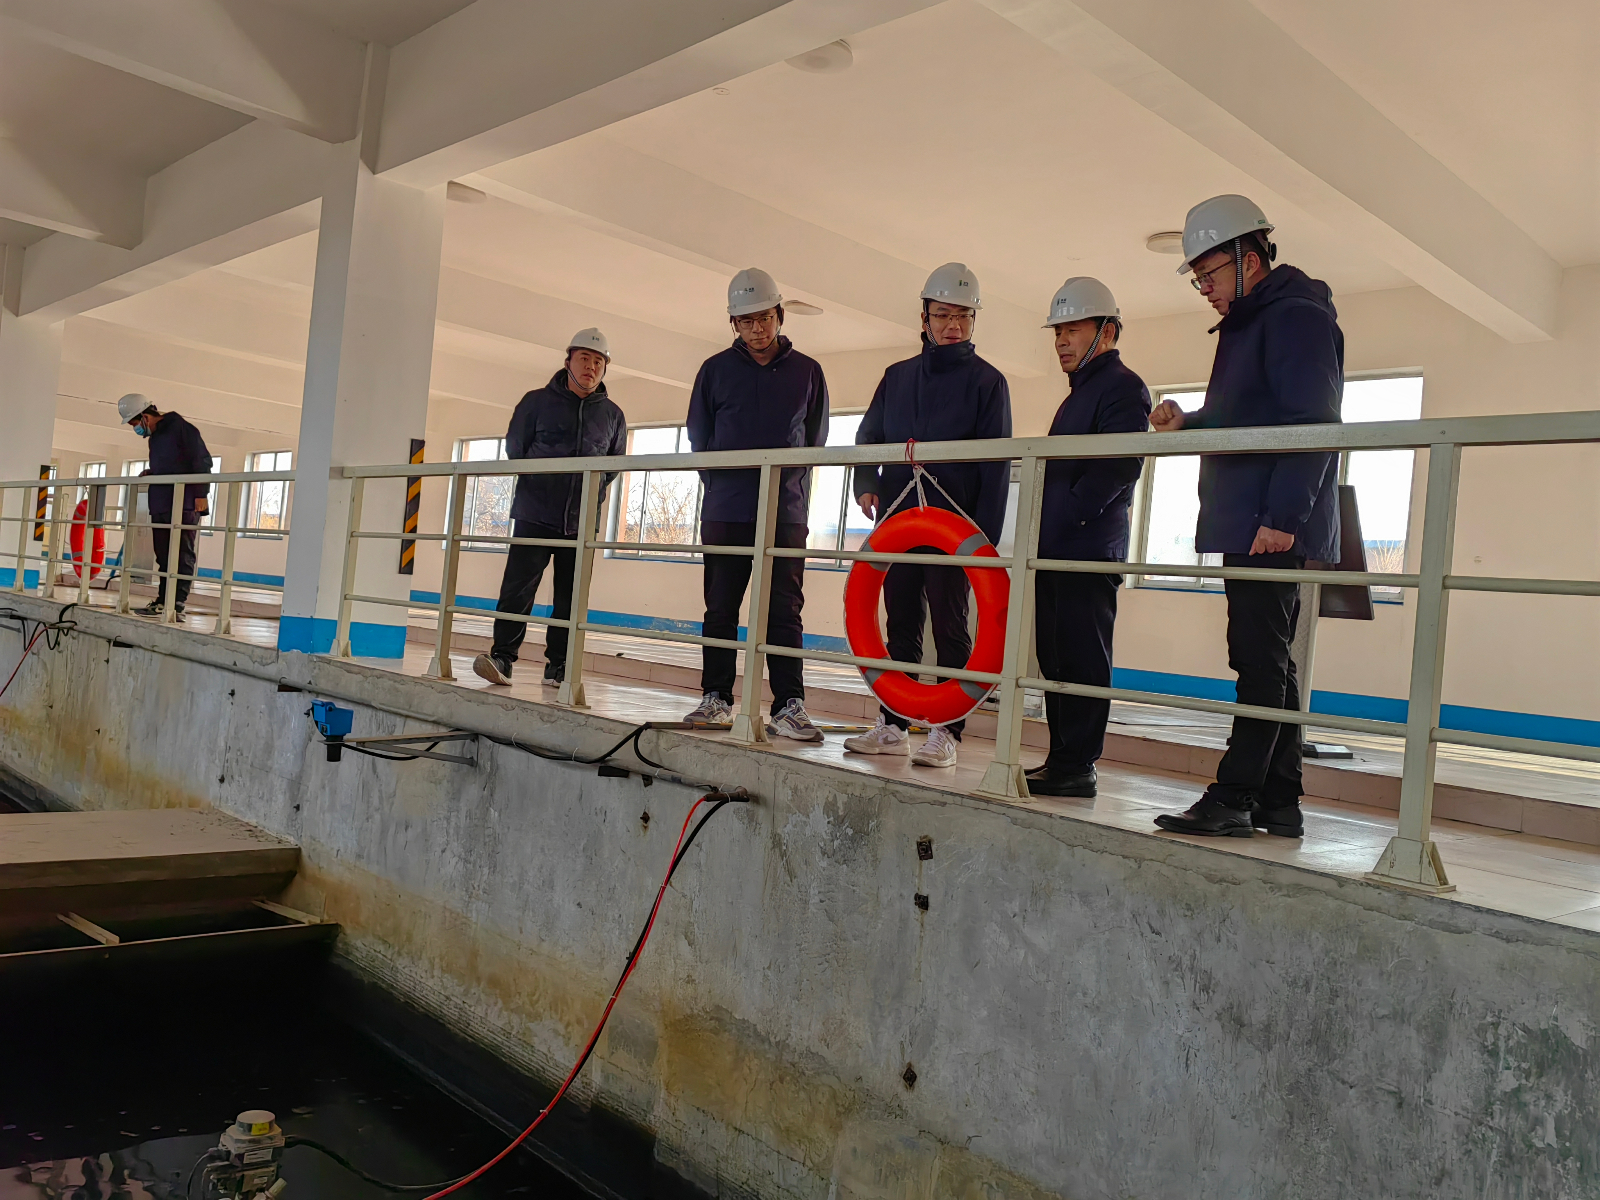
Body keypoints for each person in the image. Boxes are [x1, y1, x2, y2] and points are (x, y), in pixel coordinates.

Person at [1149, 195, 1343, 839]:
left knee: (1259, 662)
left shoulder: (1295, 318)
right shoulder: (1255, 320)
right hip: (1254, 514)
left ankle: (1233, 796)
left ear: (1248, 260)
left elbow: (1313, 422)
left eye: (1208, 274)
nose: (1204, 288)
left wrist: (1284, 515)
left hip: (1270, 520)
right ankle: (1279, 802)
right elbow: (1248, 416)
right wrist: (1190, 421)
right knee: (1269, 659)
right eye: (1198, 279)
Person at [846, 263, 1012, 768]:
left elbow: (996, 464)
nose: (953, 325)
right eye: (942, 315)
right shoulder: (897, 377)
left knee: (950, 626)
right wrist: (866, 481)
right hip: (899, 521)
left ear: (974, 319)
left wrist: (983, 542)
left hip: (957, 530)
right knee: (900, 621)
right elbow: (869, 435)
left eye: (963, 315)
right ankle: (892, 725)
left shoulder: (989, 383)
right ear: (924, 318)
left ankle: (946, 732)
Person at [680, 268, 829, 741]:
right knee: (721, 608)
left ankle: (789, 706)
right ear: (734, 324)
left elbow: (815, 440)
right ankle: (716, 699)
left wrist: (787, 492)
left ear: (780, 316)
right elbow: (699, 439)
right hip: (726, 510)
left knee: (784, 610)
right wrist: (725, 487)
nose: (757, 328)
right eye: (746, 321)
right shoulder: (714, 371)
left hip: (785, 513)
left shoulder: (808, 371)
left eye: (765, 317)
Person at [1027, 279, 1151, 798]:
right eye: (1058, 332)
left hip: (1087, 549)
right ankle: (1062, 759)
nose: (1062, 341)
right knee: (1055, 657)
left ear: (1108, 332)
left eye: (1073, 330)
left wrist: (1072, 515)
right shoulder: (1078, 396)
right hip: (1057, 547)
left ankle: (1078, 765)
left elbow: (1120, 464)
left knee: (1082, 658)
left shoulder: (1123, 388)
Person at [473, 329, 626, 688]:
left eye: (598, 361)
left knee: (570, 597)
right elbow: (516, 450)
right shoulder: (536, 403)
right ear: (568, 361)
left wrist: (589, 496)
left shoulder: (613, 415)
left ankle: (559, 666)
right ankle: (503, 658)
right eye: (584, 358)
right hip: (535, 514)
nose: (591, 367)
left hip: (581, 521)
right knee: (518, 590)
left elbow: (613, 465)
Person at [117, 393, 212, 620]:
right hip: (161, 502)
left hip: (184, 502)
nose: (135, 429)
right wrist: (153, 473)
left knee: (181, 553)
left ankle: (177, 603)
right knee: (164, 555)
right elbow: (172, 465)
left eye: (134, 424)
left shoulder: (182, 429)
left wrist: (201, 494)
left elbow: (201, 461)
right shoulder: (155, 438)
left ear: (145, 416)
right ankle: (163, 600)